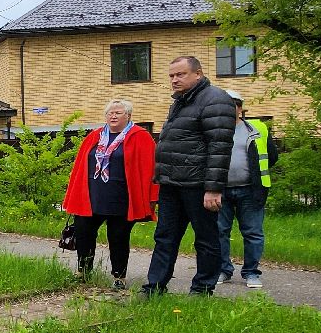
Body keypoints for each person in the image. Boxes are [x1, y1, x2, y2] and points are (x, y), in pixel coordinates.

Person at [142, 56, 237, 295]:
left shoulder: (216, 100)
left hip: (198, 185)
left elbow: (219, 146)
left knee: (205, 239)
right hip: (171, 183)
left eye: (180, 74)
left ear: (198, 73)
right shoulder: (181, 102)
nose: (174, 80)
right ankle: (154, 286)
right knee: (164, 237)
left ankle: (203, 288)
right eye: (172, 76)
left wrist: (213, 188)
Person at [61, 99, 157, 289]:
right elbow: (80, 166)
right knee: (83, 233)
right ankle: (83, 271)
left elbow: (151, 169)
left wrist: (153, 197)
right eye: (110, 113)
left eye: (118, 113)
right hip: (91, 196)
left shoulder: (140, 136)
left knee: (118, 238)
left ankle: (119, 277)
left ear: (128, 115)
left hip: (121, 198)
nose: (113, 116)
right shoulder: (95, 136)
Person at [216, 92, 274, 289]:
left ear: (240, 109)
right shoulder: (213, 130)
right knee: (219, 231)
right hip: (219, 190)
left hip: (250, 190)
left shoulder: (257, 128)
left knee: (253, 232)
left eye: (230, 105)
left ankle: (251, 272)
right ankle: (223, 270)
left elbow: (271, 156)